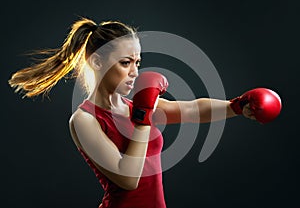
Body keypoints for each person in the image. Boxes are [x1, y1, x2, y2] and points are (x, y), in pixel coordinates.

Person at [8, 17, 277, 208]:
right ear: (97, 61)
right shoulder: (84, 119)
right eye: (125, 63)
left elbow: (192, 110)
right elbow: (128, 178)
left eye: (137, 62)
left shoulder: (133, 106)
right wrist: (143, 116)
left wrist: (236, 106)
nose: (135, 72)